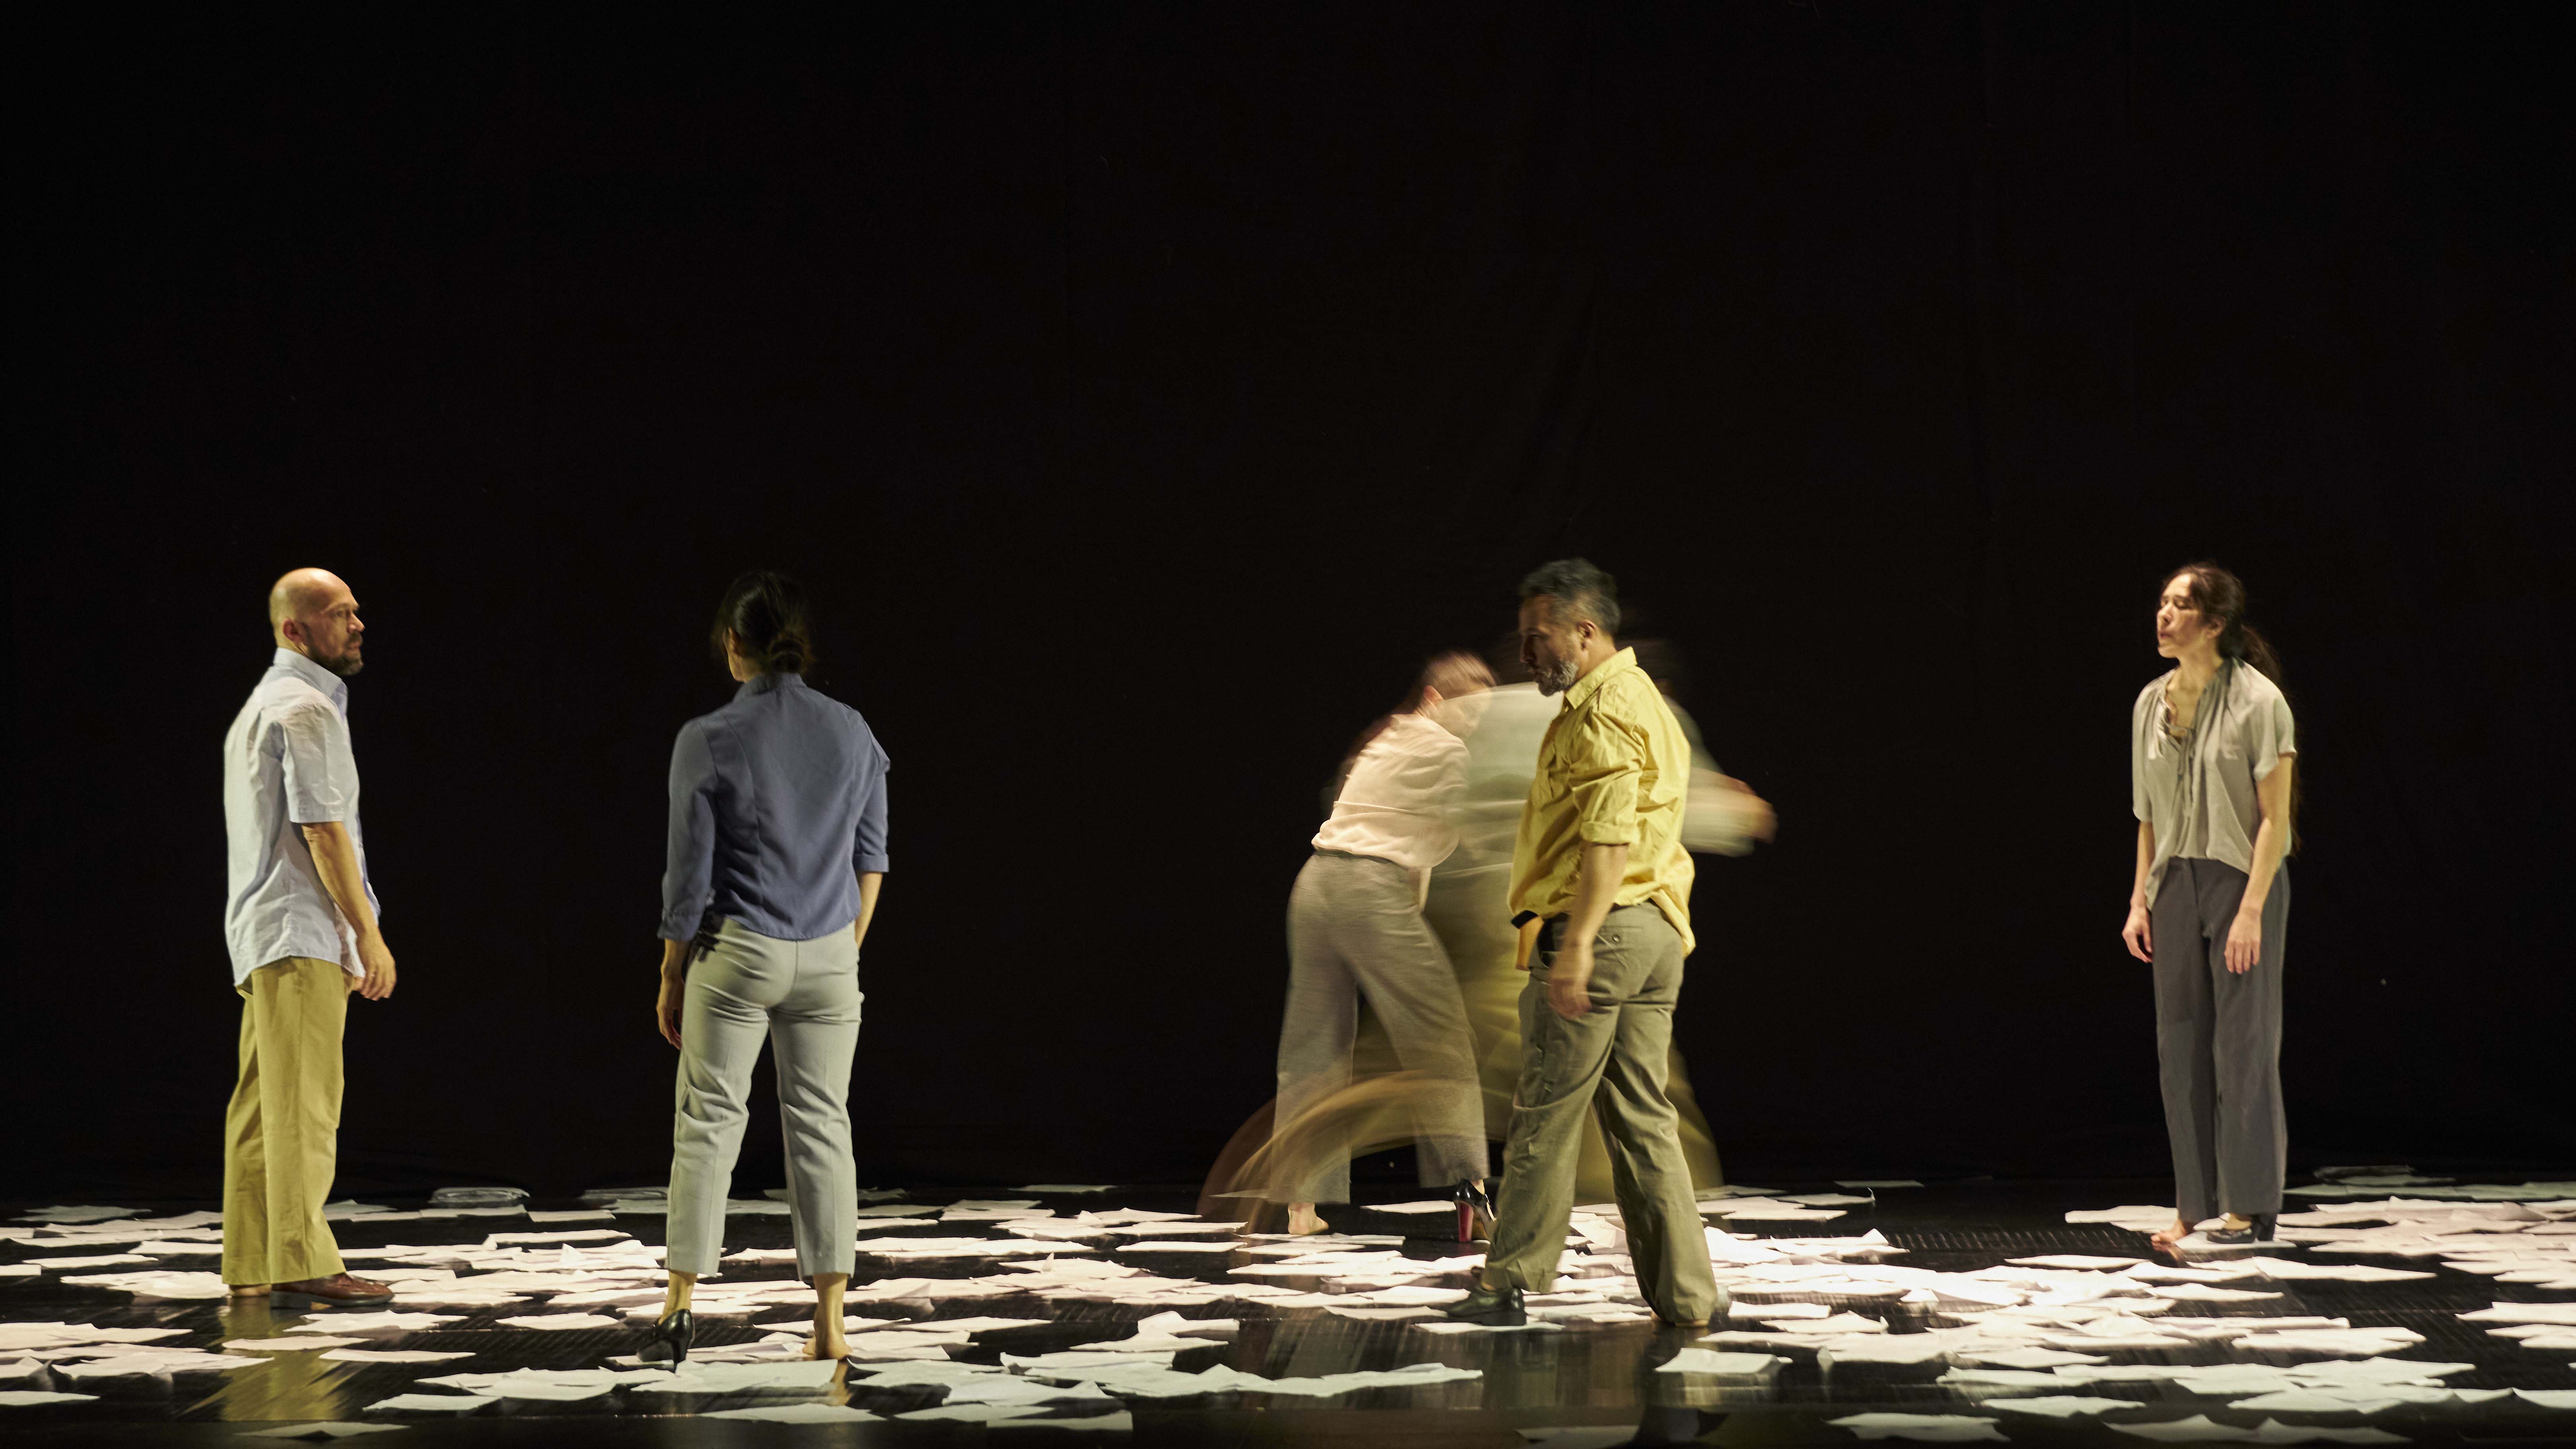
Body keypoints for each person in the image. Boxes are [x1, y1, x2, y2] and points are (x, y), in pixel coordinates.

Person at [1448, 559, 1724, 1329]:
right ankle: (1688, 1295)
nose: (1529, 653)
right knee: (1642, 1119)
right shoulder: (1641, 700)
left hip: (1601, 928)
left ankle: (1506, 1280)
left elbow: (1607, 836)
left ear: (1585, 630)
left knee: (1544, 1112)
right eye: (1524, 639)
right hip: (1653, 930)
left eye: (1538, 638)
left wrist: (1576, 950)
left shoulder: (1602, 709)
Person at [645, 571, 889, 1363]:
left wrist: (671, 971)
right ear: (802, 647)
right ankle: (830, 1323)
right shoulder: (853, 731)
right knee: (823, 1127)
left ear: (732, 646)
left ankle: (680, 1301)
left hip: (739, 948)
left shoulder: (708, 737)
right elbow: (871, 858)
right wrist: (843, 949)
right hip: (828, 951)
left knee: (710, 1119)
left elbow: (687, 878)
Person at [1266, 652, 1498, 1238]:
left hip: (1315, 884)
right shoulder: (1444, 749)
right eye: (1470, 710)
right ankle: (1470, 1191)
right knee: (1441, 1039)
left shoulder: (1388, 739)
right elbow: (1469, 823)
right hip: (1368, 891)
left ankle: (1300, 1206)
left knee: (1313, 1048)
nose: (1474, 724)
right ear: (1434, 699)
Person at [220, 568, 400, 1307]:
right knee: (304, 1104)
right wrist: (370, 936)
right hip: (300, 931)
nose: (358, 624)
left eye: (358, 610)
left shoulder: (263, 705)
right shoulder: (304, 710)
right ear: (296, 630)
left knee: (265, 1104)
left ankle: (254, 1261)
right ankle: (301, 1261)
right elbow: (324, 832)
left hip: (267, 932)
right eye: (340, 613)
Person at [2123, 563, 2297, 1250]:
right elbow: (2145, 817)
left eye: (2180, 606)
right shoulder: (2148, 703)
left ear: (2214, 623)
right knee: (2180, 1046)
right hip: (2173, 883)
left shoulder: (2260, 702)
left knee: (2242, 1047)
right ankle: (2192, 1207)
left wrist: (2251, 910)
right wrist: (2138, 899)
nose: (2164, 616)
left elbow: (2275, 821)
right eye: (2161, 602)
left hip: (2239, 880)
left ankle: (2250, 1209)